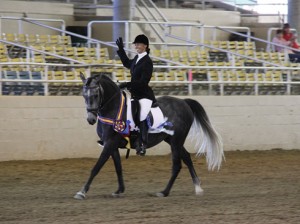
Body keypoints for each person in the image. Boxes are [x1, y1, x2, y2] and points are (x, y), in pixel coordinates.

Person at [115, 34, 156, 156]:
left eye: (138, 44)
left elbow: (144, 82)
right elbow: (127, 63)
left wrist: (127, 84)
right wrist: (121, 50)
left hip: (144, 95)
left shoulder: (147, 62)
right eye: (135, 44)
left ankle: (142, 144)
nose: (136, 46)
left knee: (142, 114)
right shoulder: (137, 58)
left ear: (145, 46)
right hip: (134, 93)